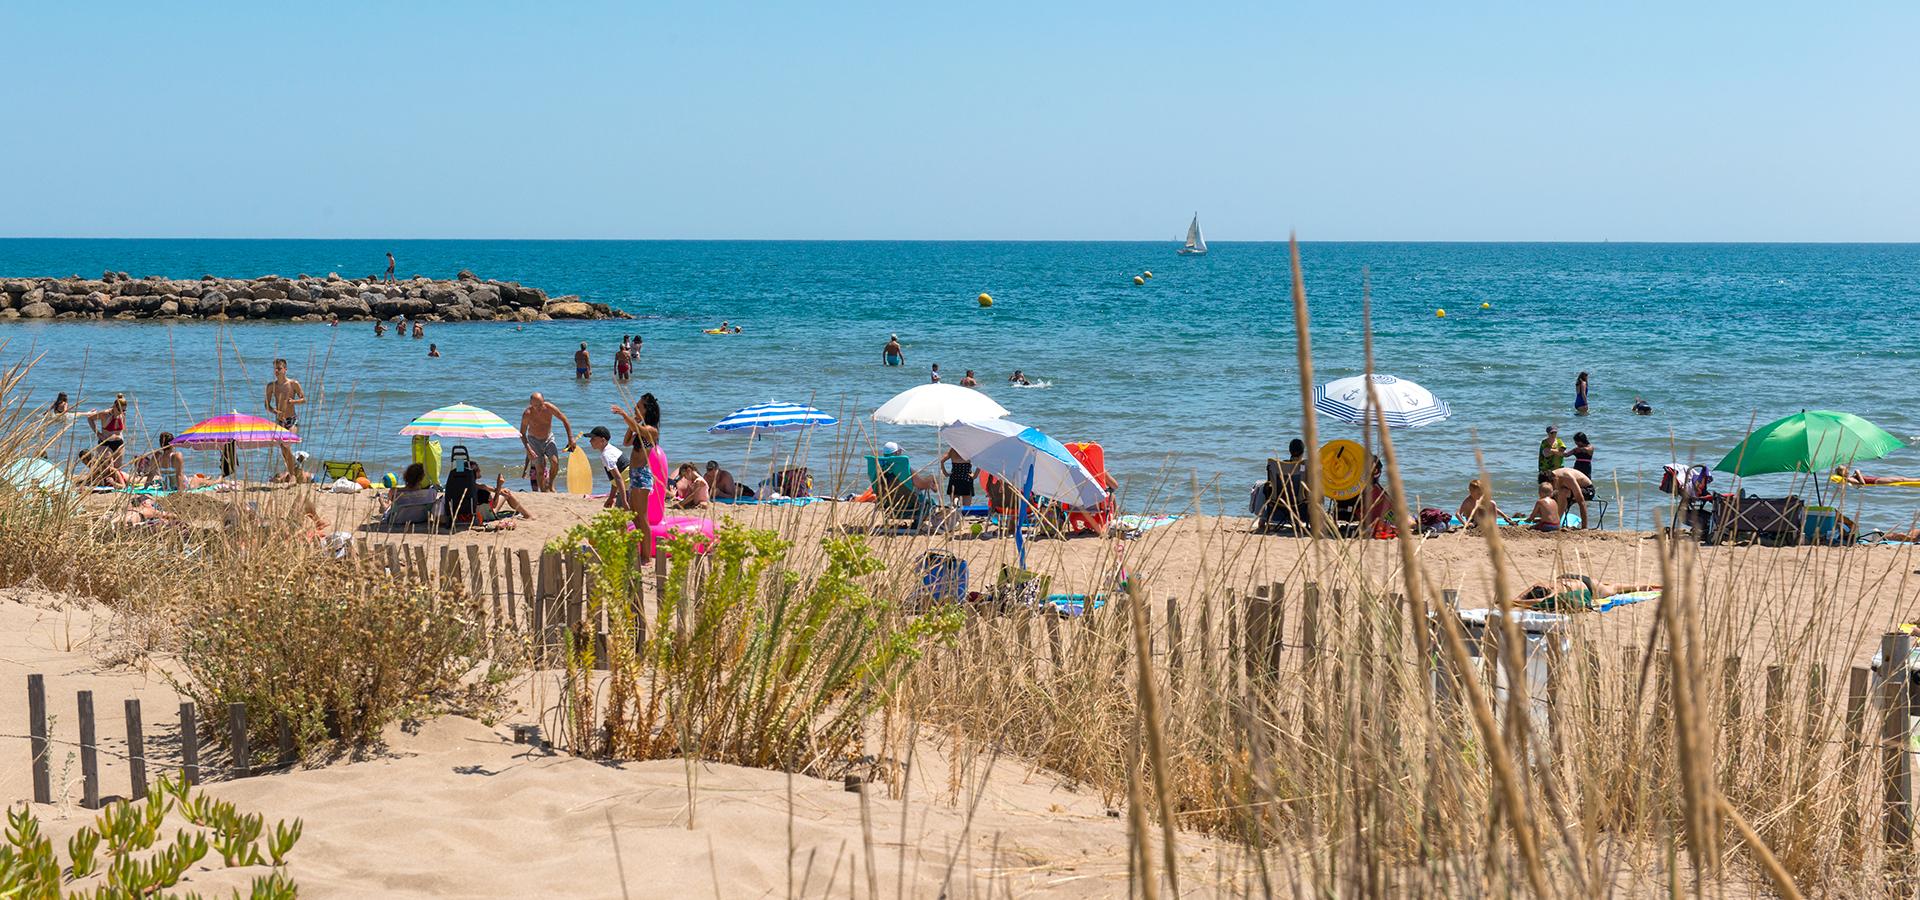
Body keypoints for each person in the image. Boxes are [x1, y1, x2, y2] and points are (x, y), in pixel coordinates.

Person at [610, 394, 662, 562]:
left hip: (642, 474)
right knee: (634, 515)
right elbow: (626, 442)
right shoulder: (641, 427)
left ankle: (646, 557)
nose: (636, 409)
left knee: (642, 517)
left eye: (639, 407)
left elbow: (640, 431)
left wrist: (625, 416)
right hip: (635, 474)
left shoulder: (652, 430)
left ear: (647, 410)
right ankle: (642, 552)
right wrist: (633, 421)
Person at [519, 393, 576, 492]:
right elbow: (522, 433)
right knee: (540, 469)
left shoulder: (549, 408)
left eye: (541, 404)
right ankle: (543, 491)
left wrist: (570, 438)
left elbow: (564, 420)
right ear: (531, 403)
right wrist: (528, 449)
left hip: (548, 438)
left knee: (555, 463)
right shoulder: (527, 413)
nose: (539, 408)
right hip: (534, 441)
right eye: (536, 405)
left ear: (543, 401)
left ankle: (550, 485)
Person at [1517, 574, 1661, 611]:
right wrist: (1515, 599)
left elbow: (1540, 603)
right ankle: (1646, 585)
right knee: (1613, 586)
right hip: (1570, 577)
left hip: (1588, 587)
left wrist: (1516, 603)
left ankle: (1644, 587)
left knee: (1615, 588)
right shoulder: (1541, 585)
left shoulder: (1554, 595)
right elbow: (1531, 590)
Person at [587, 426, 628, 509]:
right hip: (629, 484)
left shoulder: (606, 455)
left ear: (603, 440)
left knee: (621, 516)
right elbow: (615, 479)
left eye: (593, 439)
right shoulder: (610, 450)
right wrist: (611, 497)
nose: (590, 441)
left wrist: (624, 500)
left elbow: (618, 478)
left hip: (629, 486)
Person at [86, 395, 129, 466]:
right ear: (115, 406)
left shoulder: (123, 415)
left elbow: (122, 429)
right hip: (106, 444)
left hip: (119, 444)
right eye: (120, 410)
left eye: (123, 410)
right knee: (108, 469)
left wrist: (121, 437)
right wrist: (98, 434)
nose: (121, 412)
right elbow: (90, 419)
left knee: (117, 469)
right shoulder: (105, 414)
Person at [1834, 466, 1920, 485]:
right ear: (1841, 473)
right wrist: (1859, 474)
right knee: (1902, 479)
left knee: (1902, 478)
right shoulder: (1848, 479)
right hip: (1877, 481)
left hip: (1877, 478)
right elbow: (1862, 483)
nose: (1848, 471)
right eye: (1845, 470)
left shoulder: (1848, 477)